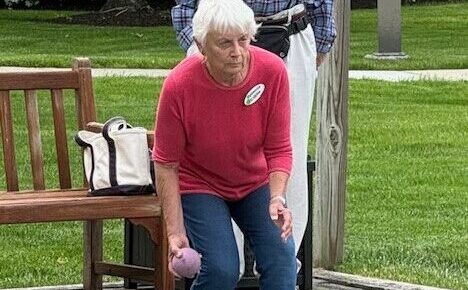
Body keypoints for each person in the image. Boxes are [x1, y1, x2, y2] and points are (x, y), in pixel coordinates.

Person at [171, 0, 337, 275]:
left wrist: (319, 44)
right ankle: (223, 269)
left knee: (287, 156)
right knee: (215, 154)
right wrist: (196, 47)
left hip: (289, 34)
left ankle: (280, 266)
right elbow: (185, 5)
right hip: (216, 37)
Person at [153, 0, 297, 289]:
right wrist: (175, 231)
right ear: (201, 45)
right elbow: (166, 163)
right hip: (201, 184)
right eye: (225, 43)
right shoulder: (179, 84)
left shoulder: (273, 71)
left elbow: (279, 148)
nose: (237, 53)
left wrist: (277, 198)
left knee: (282, 257)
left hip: (254, 182)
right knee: (221, 269)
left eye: (243, 40)